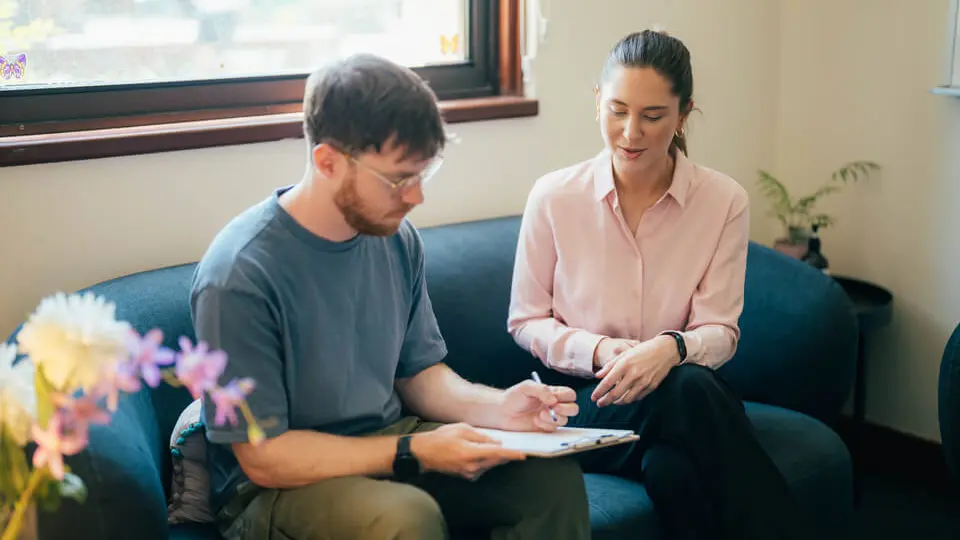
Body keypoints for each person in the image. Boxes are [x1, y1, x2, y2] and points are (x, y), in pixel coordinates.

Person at [191, 53, 591, 540]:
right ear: (328, 162)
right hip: (276, 486)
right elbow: (264, 458)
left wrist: (499, 409)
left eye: (424, 174)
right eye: (399, 179)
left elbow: (418, 376)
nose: (416, 197)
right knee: (402, 516)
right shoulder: (239, 275)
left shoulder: (396, 239)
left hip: (385, 444)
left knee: (548, 480)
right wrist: (413, 452)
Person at [507, 30, 809, 540]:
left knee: (674, 465)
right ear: (597, 101)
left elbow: (721, 330)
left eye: (653, 116)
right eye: (618, 110)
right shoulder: (555, 197)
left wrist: (669, 350)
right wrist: (605, 351)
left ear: (683, 115)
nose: (631, 132)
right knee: (687, 394)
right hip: (590, 401)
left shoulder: (723, 201)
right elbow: (525, 321)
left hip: (686, 392)